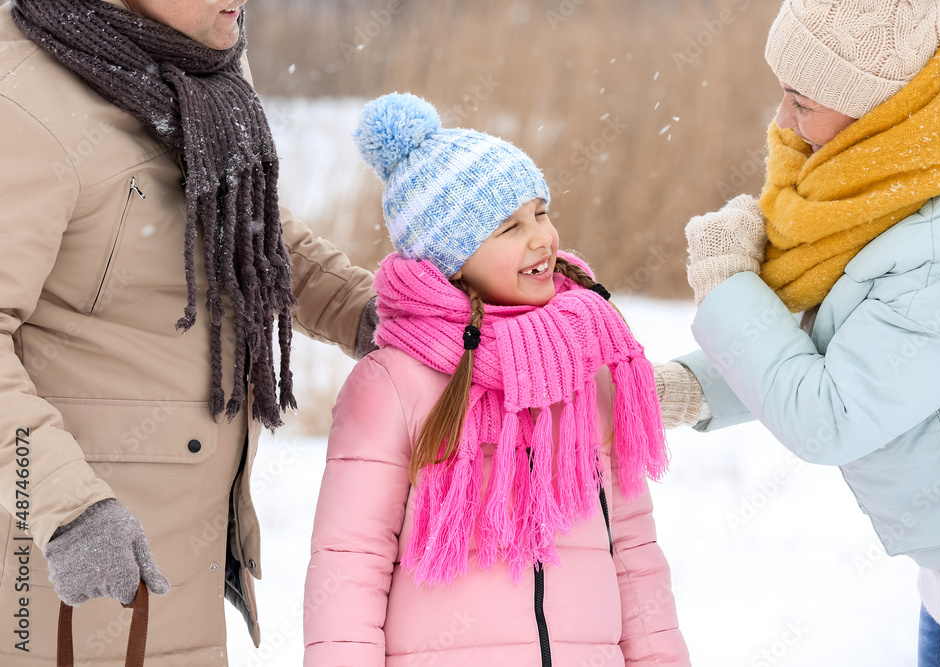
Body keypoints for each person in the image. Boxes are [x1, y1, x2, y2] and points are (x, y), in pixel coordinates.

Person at [0, 0, 378, 664]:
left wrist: (373, 313)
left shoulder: (203, 63)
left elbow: (249, 229)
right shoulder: (24, 99)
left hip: (181, 580)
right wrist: (68, 506)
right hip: (62, 587)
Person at [655, 0, 940, 663]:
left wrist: (726, 281)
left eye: (801, 100)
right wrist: (691, 388)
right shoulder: (914, 171)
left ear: (879, 111)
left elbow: (833, 412)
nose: (782, 121)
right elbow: (856, 339)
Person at [303, 92, 690, 667]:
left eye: (540, 212)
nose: (542, 238)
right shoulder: (393, 385)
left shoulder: (586, 363)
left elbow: (632, 552)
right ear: (451, 259)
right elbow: (349, 564)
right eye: (508, 227)